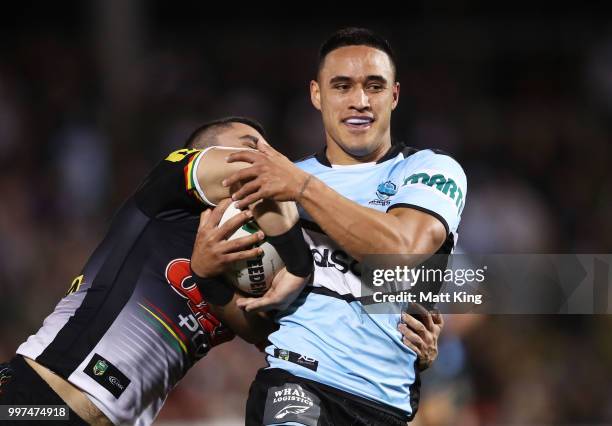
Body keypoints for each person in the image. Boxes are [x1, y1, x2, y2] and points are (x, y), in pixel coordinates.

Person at [0, 117, 441, 425]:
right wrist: (300, 263)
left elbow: (289, 338)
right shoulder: (168, 196)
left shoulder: (256, 259)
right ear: (204, 151)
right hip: (37, 397)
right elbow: (251, 174)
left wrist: (406, 350)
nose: (266, 155)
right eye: (251, 143)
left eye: (270, 149)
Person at [224, 28, 464, 425]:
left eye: (374, 86)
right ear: (317, 95)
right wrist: (207, 271)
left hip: (385, 402)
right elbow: (249, 315)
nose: (360, 101)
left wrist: (301, 189)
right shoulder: (277, 182)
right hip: (296, 381)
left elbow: (399, 249)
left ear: (395, 95)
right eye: (342, 86)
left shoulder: (431, 170)